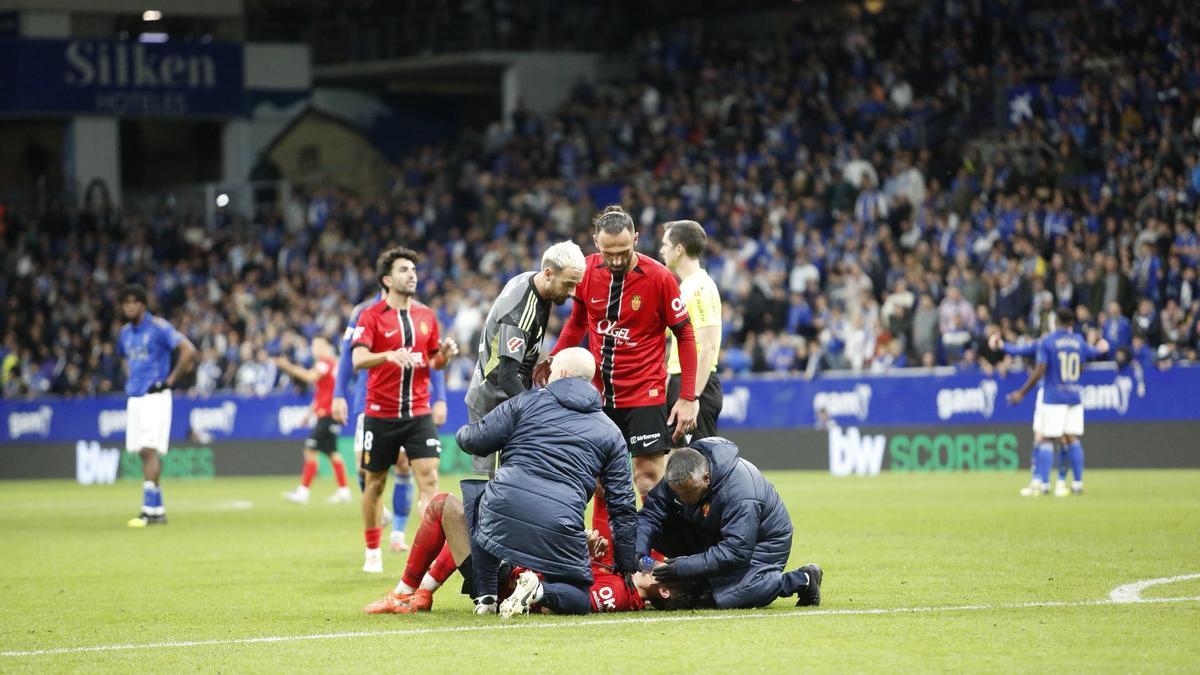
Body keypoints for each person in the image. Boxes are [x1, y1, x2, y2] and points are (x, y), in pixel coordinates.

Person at [456, 347, 639, 617]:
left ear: (562, 373)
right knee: (578, 597)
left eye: (552, 370)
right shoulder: (611, 432)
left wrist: (462, 432)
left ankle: (487, 597)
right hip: (560, 524)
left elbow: (473, 440)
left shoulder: (525, 402)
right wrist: (624, 565)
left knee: (481, 499)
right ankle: (539, 590)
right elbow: (623, 505)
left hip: (505, 508)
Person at [536, 205, 699, 496]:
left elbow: (685, 335)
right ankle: (609, 544)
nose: (616, 259)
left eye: (623, 250)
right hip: (598, 394)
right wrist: (554, 358)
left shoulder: (660, 278)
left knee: (648, 479)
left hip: (645, 393)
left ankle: (654, 544)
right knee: (600, 482)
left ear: (635, 238)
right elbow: (577, 323)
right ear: (597, 242)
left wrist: (687, 396)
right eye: (609, 252)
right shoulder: (586, 271)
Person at [460, 241, 586, 596]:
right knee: (494, 495)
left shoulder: (534, 286)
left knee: (506, 491)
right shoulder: (522, 311)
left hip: (503, 399)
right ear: (548, 274)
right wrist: (536, 409)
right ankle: (485, 584)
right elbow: (507, 376)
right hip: (495, 405)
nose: (574, 292)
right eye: (569, 284)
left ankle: (501, 573)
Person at [361, 490, 682, 615]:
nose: (651, 561)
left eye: (658, 566)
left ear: (663, 589)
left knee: (447, 507)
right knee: (472, 512)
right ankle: (420, 595)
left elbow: (557, 599)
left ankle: (407, 594)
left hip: (506, 579)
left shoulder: (617, 594)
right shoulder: (623, 579)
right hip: (514, 562)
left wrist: (572, 548)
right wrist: (583, 548)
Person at [351, 247, 458, 573]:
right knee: (375, 483)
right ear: (387, 279)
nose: (411, 274)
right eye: (403, 270)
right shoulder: (369, 316)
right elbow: (357, 360)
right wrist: (387, 355)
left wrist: (445, 354)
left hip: (418, 412)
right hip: (380, 413)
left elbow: (433, 362)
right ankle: (373, 551)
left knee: (430, 479)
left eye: (413, 269)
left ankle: (426, 554)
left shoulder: (427, 316)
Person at [636, 441, 823, 609]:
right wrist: (638, 551)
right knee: (660, 526)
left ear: (706, 478)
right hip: (712, 532)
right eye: (677, 494)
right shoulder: (680, 475)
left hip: (762, 545)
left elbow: (736, 551)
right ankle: (700, 583)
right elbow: (650, 514)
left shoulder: (740, 493)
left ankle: (802, 579)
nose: (682, 499)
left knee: (727, 597)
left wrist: (683, 567)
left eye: (687, 492)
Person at [333, 291, 416, 551]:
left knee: (404, 464)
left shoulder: (416, 310)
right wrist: (338, 394)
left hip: (405, 399)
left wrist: (438, 397)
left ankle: (398, 535)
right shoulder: (363, 311)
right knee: (363, 469)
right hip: (369, 400)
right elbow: (348, 356)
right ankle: (384, 512)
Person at [1005, 307, 1108, 496]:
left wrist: (1022, 392)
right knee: (1071, 439)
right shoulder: (1079, 341)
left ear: (1056, 322)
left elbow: (1040, 368)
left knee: (1045, 438)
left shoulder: (1049, 341)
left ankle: (1044, 485)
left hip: (1054, 396)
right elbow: (1092, 356)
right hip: (1074, 396)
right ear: (1071, 324)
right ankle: (1077, 483)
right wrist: (1102, 346)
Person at [116, 284, 196, 528]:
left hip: (154, 396)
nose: (130, 306)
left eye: (135, 301)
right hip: (136, 396)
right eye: (126, 302)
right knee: (142, 451)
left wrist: (168, 381)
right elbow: (124, 358)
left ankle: (148, 511)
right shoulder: (125, 333)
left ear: (143, 304)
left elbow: (188, 350)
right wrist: (131, 379)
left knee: (149, 449)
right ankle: (157, 509)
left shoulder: (159, 328)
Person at [659, 220, 724, 444]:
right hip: (681, 381)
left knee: (698, 465)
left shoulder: (701, 289)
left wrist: (693, 396)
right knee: (675, 463)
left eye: (665, 245)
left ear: (679, 249)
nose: (661, 250)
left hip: (697, 387)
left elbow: (709, 348)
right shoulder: (685, 287)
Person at [277, 336, 352, 505]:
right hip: (327, 413)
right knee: (333, 454)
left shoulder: (324, 363)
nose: (314, 348)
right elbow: (320, 394)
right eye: (313, 345)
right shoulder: (332, 364)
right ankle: (344, 490)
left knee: (310, 449)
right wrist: (307, 414)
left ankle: (303, 491)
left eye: (317, 344)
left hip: (327, 415)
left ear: (326, 347)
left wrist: (288, 366)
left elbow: (310, 377)